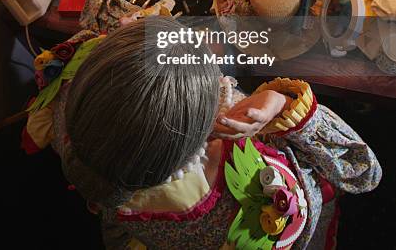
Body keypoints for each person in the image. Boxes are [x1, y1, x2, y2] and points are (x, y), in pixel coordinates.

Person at [24, 16, 381, 249]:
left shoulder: (71, 91)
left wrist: (150, 45)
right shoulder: (254, 202)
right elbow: (362, 171)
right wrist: (282, 104)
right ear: (205, 129)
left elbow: (100, 4)